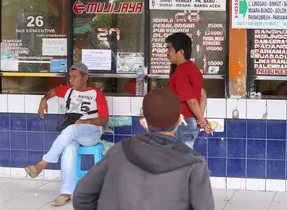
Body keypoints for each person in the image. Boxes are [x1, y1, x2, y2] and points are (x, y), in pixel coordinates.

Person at [72, 88, 214, 210]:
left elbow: (82, 195)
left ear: (143, 122)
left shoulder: (119, 150)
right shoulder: (195, 164)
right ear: (179, 121)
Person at [25, 62, 109, 207]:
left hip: (91, 132)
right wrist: (43, 100)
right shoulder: (68, 90)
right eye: (69, 77)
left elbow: (104, 119)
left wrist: (85, 122)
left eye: (74, 77)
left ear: (85, 77)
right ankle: (66, 193)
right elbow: (53, 91)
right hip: (73, 133)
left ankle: (42, 164)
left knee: (70, 130)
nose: (70, 80)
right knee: (69, 148)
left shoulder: (96, 93)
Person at [165, 32, 212, 148]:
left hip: (182, 124)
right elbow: (202, 95)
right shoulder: (194, 68)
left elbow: (191, 100)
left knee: (177, 161)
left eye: (170, 49)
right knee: (183, 159)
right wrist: (199, 120)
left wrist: (202, 122)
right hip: (190, 123)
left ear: (181, 52)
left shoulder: (180, 72)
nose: (167, 54)